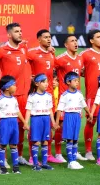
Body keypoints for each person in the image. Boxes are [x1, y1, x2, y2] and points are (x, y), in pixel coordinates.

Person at [0, 23, 30, 165]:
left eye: (21, 31)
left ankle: (19, 156)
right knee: (6, 127)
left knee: (21, 126)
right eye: (16, 31)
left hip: (23, 94)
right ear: (9, 35)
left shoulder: (24, 48)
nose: (20, 33)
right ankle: (2, 159)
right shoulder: (2, 50)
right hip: (8, 97)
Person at [27, 29, 62, 163]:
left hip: (49, 95)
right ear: (39, 39)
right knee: (35, 126)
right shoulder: (32, 53)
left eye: (49, 37)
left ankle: (48, 155)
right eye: (45, 37)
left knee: (49, 125)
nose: (48, 39)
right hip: (36, 96)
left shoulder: (52, 54)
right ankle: (32, 156)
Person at [0, 75, 29, 175]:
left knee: (14, 145)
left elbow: (17, 112)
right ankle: (2, 168)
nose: (16, 87)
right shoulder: (0, 100)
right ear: (7, 87)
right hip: (5, 123)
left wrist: (24, 122)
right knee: (3, 145)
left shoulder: (14, 99)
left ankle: (15, 167)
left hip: (14, 122)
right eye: (14, 85)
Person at [54, 35, 84, 161]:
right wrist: (54, 80)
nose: (75, 43)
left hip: (77, 97)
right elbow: (51, 70)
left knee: (76, 124)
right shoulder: (60, 59)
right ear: (66, 45)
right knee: (61, 125)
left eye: (76, 40)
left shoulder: (80, 58)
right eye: (72, 41)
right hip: (64, 97)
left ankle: (74, 150)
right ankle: (58, 153)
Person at [80, 29, 100, 160]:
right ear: (91, 40)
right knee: (91, 121)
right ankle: (88, 151)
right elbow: (78, 69)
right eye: (98, 37)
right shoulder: (85, 54)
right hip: (92, 94)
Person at [56, 72, 91, 170]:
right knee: (70, 139)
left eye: (78, 81)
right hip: (69, 117)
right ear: (68, 82)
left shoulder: (79, 93)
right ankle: (70, 161)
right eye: (75, 81)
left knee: (75, 139)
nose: (77, 83)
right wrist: (56, 121)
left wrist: (89, 113)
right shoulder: (65, 95)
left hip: (77, 117)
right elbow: (59, 109)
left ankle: (74, 160)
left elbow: (84, 105)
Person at [25, 74, 58, 171]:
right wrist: (26, 123)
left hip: (46, 119)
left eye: (47, 81)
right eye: (43, 82)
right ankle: (35, 164)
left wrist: (53, 122)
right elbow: (28, 110)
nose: (46, 84)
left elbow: (50, 110)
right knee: (36, 141)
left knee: (45, 141)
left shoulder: (48, 95)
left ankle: (44, 163)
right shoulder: (32, 96)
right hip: (36, 120)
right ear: (36, 84)